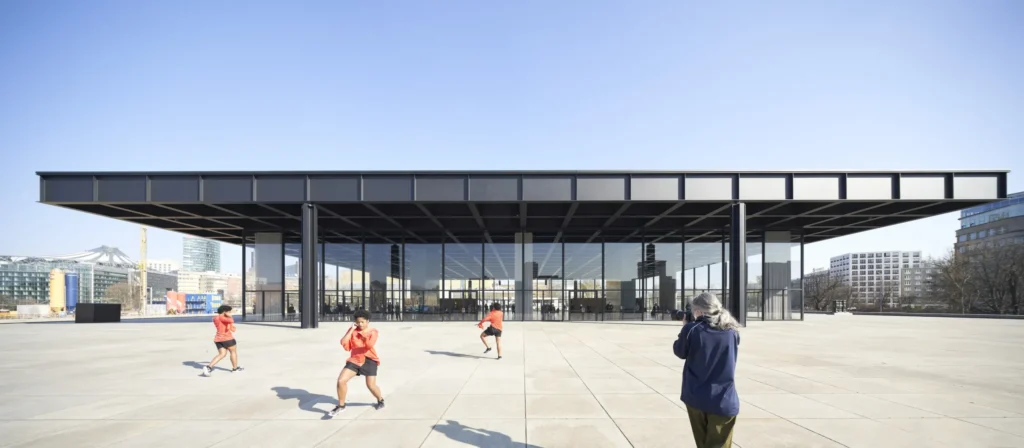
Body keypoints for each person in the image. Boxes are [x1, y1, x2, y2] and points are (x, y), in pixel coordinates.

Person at [672, 293, 741, 448]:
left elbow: (679, 351)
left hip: (696, 397)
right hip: (724, 400)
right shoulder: (732, 331)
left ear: (698, 311)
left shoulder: (692, 329)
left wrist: (685, 328)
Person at [327, 309, 384, 418]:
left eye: (362, 322)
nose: (360, 324)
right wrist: (351, 330)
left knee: (370, 385)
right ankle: (341, 405)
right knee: (341, 381)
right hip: (355, 360)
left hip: (369, 360)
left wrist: (363, 334)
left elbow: (369, 345)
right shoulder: (353, 330)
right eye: (358, 322)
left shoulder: (373, 332)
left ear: (367, 321)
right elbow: (344, 343)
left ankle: (380, 400)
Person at [202, 305, 243, 376]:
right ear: (225, 312)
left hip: (218, 339)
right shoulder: (222, 317)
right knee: (233, 352)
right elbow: (231, 320)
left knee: (222, 354)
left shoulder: (215, 318)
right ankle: (235, 368)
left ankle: (208, 367)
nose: (230, 313)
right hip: (227, 338)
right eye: (229, 311)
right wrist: (229, 316)